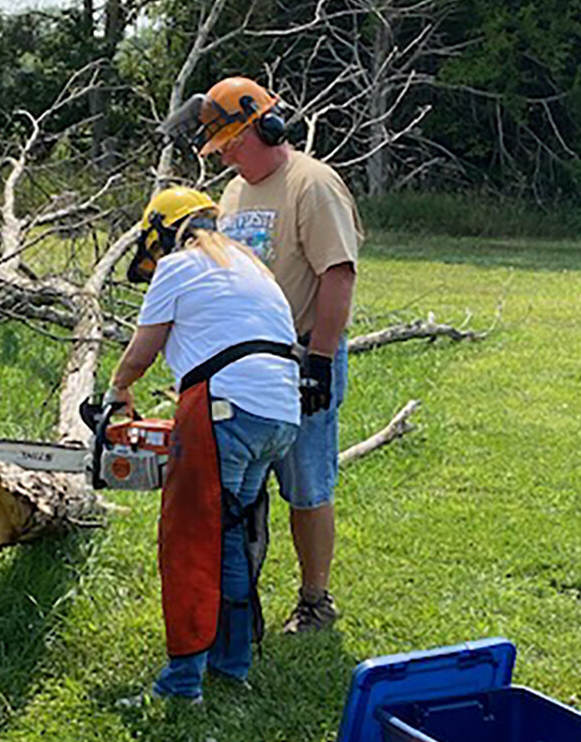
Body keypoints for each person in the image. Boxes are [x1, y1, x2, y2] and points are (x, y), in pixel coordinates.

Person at [109, 186, 301, 703]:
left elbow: (141, 350)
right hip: (279, 412)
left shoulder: (181, 264)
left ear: (165, 231)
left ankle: (181, 683)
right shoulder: (250, 265)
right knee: (230, 536)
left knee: (191, 540)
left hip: (227, 407)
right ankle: (231, 665)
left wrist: (117, 391)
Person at [194, 76, 362, 634]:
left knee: (307, 484)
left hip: (301, 354)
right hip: (245, 364)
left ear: (267, 126)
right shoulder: (235, 194)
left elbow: (336, 273)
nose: (228, 158)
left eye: (233, 144)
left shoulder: (312, 185)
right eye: (220, 150)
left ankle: (315, 600)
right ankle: (239, 600)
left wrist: (319, 360)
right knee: (241, 484)